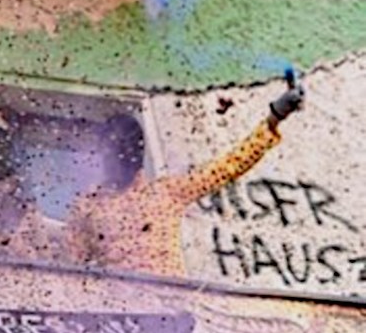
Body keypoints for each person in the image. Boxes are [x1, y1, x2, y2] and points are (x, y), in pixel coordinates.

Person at [63, 77, 305, 276]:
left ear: (138, 154)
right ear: (102, 154)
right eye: (114, 150)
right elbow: (72, 276)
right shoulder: (87, 207)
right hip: (120, 315)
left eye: (127, 150)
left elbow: (229, 166)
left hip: (173, 310)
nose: (121, 158)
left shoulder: (166, 192)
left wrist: (274, 118)